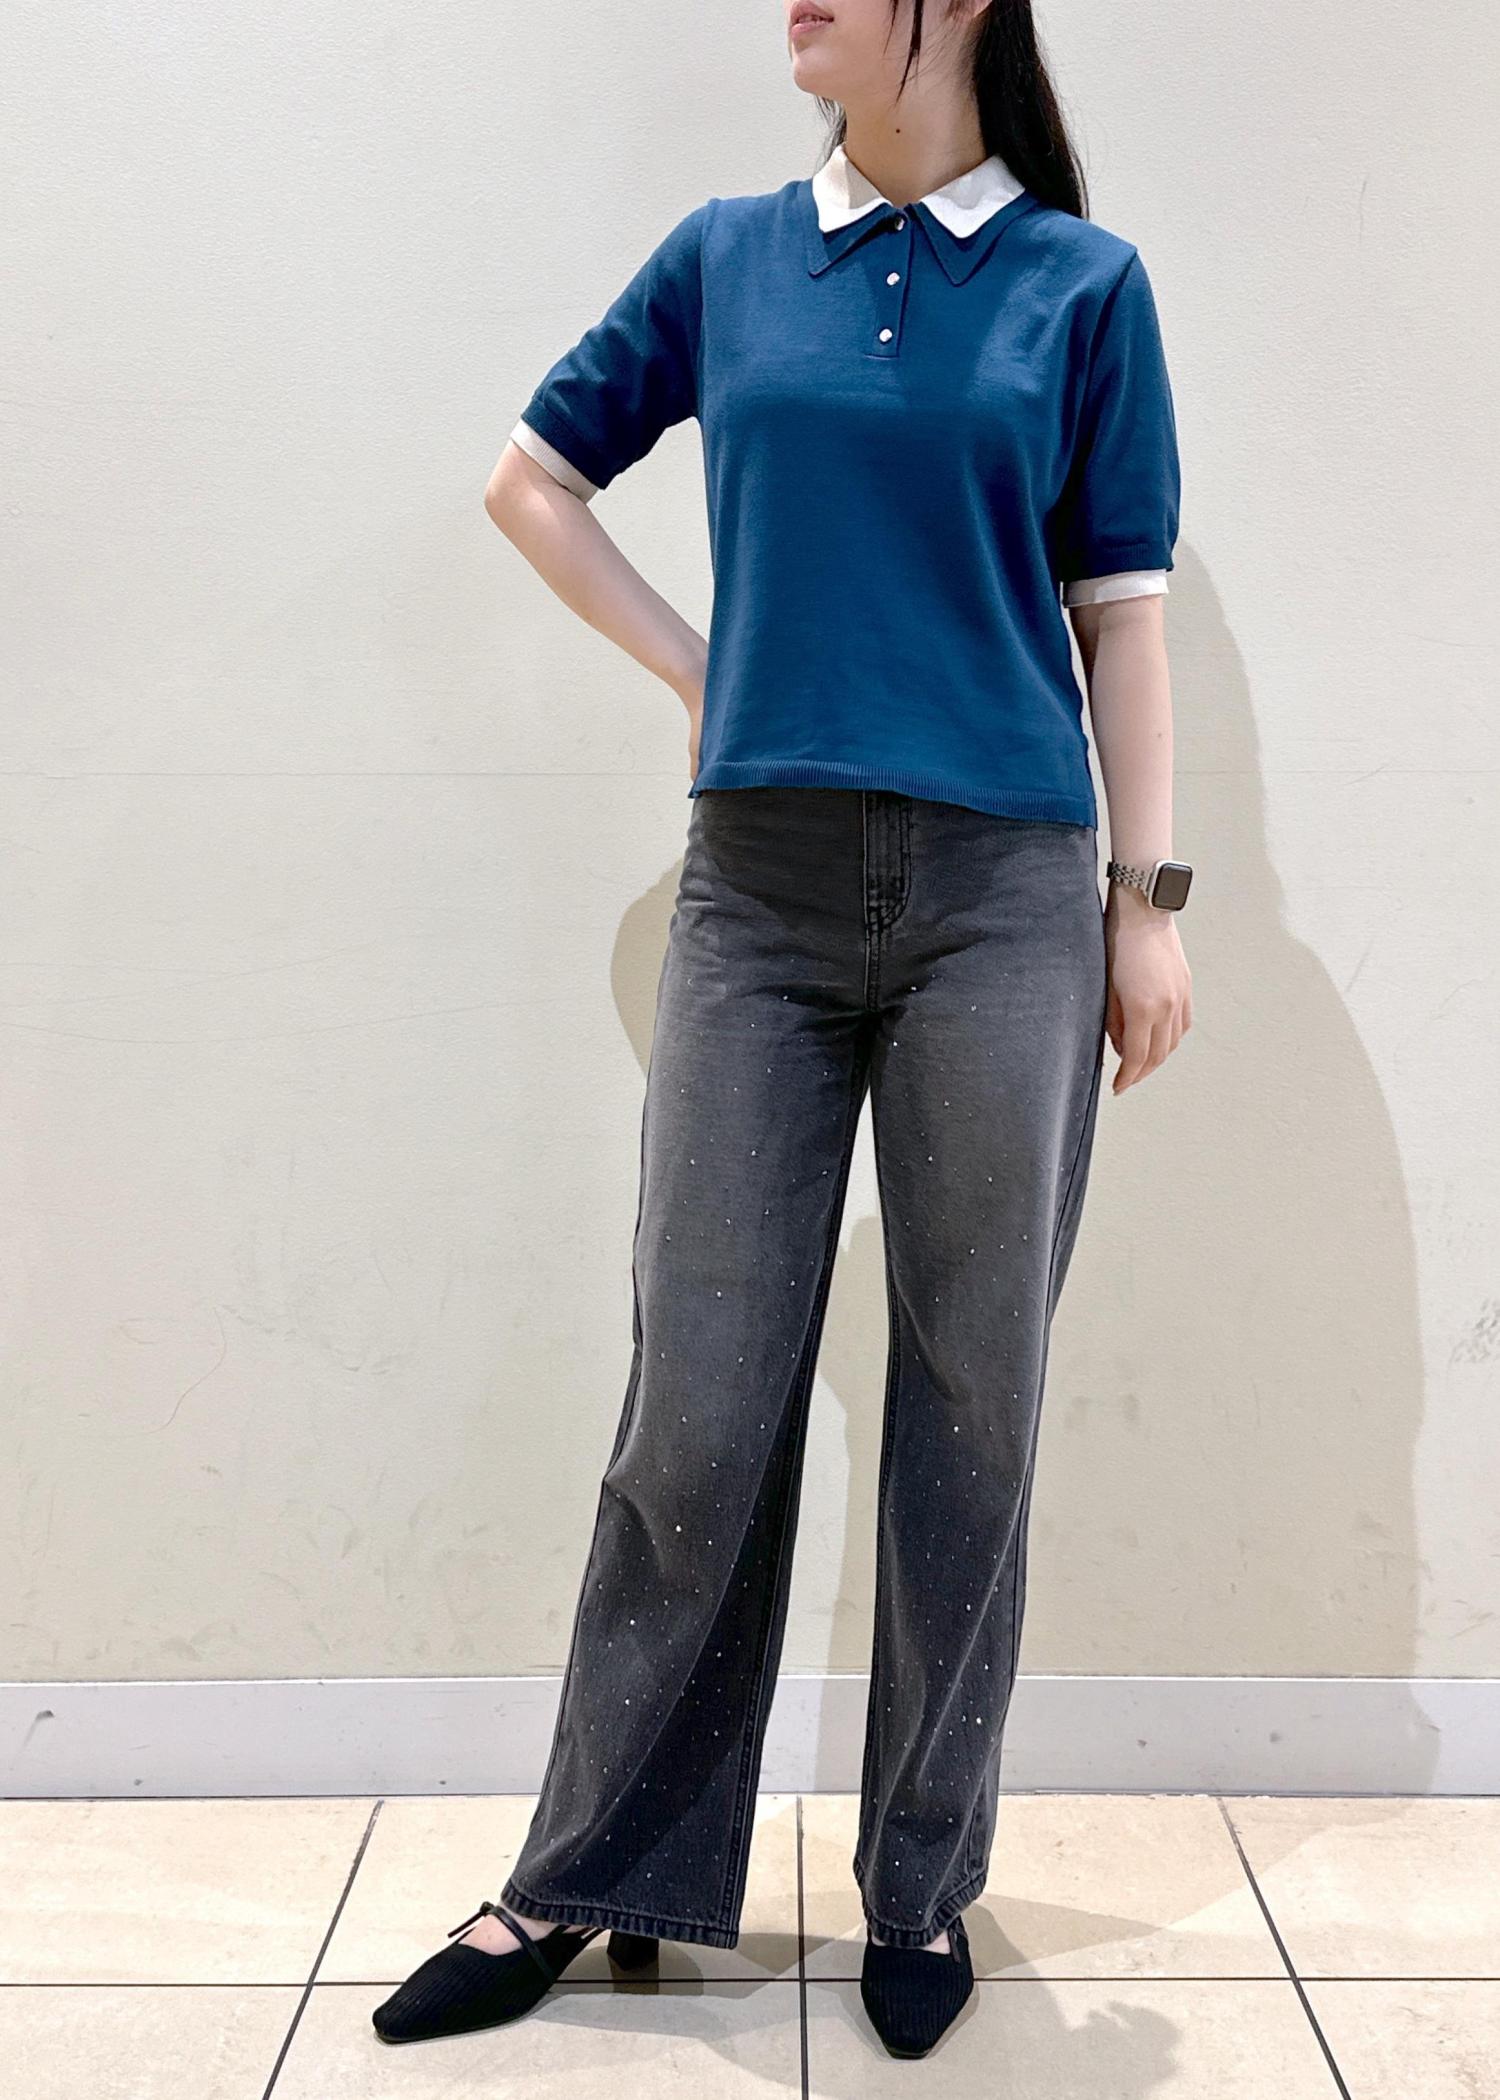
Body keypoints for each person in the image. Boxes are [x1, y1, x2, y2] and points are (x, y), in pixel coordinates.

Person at [374, 0, 1192, 2062]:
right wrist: (702, 668)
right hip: (759, 888)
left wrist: (1147, 902)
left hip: (1006, 892)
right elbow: (532, 480)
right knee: (699, 1392)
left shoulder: (1084, 286)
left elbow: (1124, 612)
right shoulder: (729, 257)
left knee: (974, 1396)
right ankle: (593, 1873)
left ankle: (920, 1885)